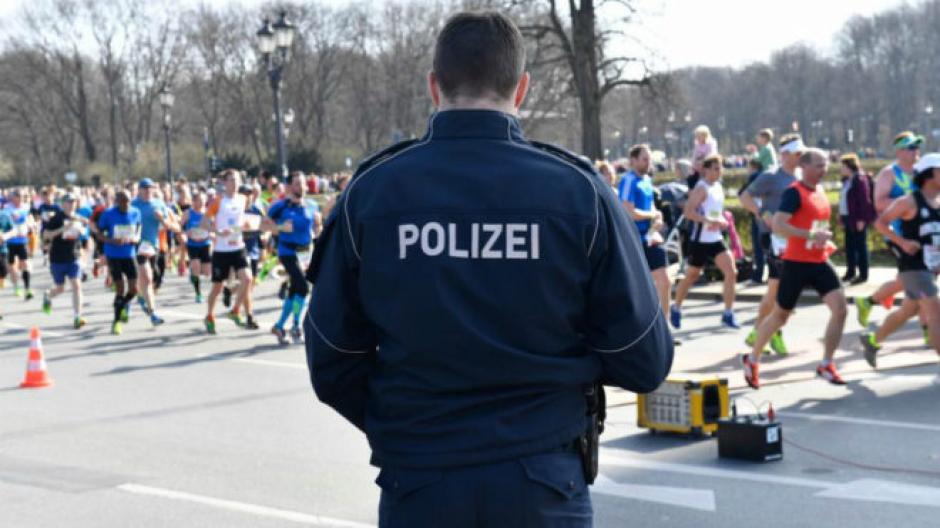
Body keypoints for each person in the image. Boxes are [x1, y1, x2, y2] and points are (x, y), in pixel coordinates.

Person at [305, 12, 673, 527]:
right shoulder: (578, 192)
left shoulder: (374, 191)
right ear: (521, 89)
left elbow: (333, 356)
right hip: (543, 475)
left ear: (434, 86)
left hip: (421, 476)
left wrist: (408, 426)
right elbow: (643, 360)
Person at [742, 148, 848, 389]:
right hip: (796, 263)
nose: (825, 169)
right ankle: (753, 359)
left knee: (840, 309)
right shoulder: (794, 193)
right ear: (805, 167)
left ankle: (826, 363)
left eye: (826, 164)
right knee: (780, 316)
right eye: (819, 165)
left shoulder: (820, 191)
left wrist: (823, 238)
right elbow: (779, 225)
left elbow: (816, 223)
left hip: (820, 260)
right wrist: (810, 234)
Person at [861, 153, 940, 387]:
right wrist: (903, 242)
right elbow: (879, 223)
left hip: (930, 267)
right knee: (935, 314)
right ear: (929, 174)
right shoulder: (909, 201)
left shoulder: (938, 201)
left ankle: (873, 340)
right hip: (913, 267)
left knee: (907, 312)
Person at [738, 133, 805, 356]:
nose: (801, 157)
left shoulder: (801, 177)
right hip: (773, 237)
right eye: (797, 154)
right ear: (784, 155)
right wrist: (762, 213)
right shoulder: (771, 176)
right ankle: (769, 331)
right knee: (777, 287)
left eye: (802, 153)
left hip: (793, 238)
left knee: (781, 289)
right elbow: (745, 197)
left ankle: (760, 331)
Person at [855, 132, 925, 330]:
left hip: (922, 234)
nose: (916, 151)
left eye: (917, 147)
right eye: (911, 148)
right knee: (917, 279)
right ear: (900, 151)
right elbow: (879, 203)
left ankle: (870, 301)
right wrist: (907, 204)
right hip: (899, 235)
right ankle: (928, 329)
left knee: (911, 279)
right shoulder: (889, 173)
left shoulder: (922, 171)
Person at [670, 153, 740, 329]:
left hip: (715, 239)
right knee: (692, 276)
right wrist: (709, 221)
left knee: (731, 271)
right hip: (700, 240)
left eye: (721, 168)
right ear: (706, 170)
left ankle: (728, 313)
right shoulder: (701, 188)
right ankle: (676, 307)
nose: (719, 171)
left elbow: (715, 210)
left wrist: (722, 221)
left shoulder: (718, 186)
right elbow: (688, 212)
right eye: (716, 168)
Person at [200, 169, 256, 334]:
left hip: (238, 247)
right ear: (224, 183)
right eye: (231, 180)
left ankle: (235, 310)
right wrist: (217, 232)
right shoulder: (218, 201)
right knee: (217, 287)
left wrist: (246, 225)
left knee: (247, 279)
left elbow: (241, 219)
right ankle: (209, 316)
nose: (235, 183)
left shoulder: (243, 199)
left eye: (237, 180)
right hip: (221, 250)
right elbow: (204, 224)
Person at [264, 172, 317, 345]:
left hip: (305, 253)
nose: (300, 187)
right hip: (287, 252)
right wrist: (280, 227)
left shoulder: (311, 205)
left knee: (295, 290)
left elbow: (316, 226)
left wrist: (317, 231)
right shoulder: (280, 206)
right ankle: (296, 326)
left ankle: (280, 326)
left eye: (302, 183)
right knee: (302, 287)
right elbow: (263, 224)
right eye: (296, 184)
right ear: (288, 187)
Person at [95, 190, 141, 335]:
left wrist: (137, 238)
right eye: (123, 202)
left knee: (134, 289)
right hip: (113, 255)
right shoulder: (108, 214)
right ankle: (116, 322)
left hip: (130, 254)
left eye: (128, 202)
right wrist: (112, 240)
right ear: (117, 201)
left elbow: (138, 227)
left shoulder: (135, 212)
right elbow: (99, 234)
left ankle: (121, 305)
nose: (126, 205)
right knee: (120, 289)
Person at [131, 179, 176, 326]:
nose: (148, 191)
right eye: (145, 188)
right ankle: (153, 313)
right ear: (140, 190)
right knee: (148, 277)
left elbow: (169, 225)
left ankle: (141, 296)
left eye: (150, 188)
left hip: (153, 245)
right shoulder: (133, 205)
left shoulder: (158, 204)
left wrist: (161, 218)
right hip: (137, 245)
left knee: (154, 278)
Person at [41, 193, 87, 328]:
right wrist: (63, 229)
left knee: (77, 285)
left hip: (74, 256)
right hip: (57, 258)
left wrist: (83, 230)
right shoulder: (56, 218)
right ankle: (48, 295)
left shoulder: (79, 218)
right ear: (63, 204)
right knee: (61, 288)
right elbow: (46, 235)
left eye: (74, 202)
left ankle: (77, 317)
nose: (72, 204)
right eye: (69, 202)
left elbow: (85, 233)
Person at [839, 153, 876, 284]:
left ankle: (863, 274)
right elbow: (843, 200)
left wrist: (862, 219)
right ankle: (850, 272)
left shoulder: (859, 179)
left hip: (857, 218)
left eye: (843, 166)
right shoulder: (846, 180)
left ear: (850, 166)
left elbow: (864, 201)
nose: (841, 169)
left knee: (860, 246)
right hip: (847, 217)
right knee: (849, 246)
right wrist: (841, 218)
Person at [4, 189, 36, 299]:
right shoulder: (7, 209)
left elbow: (31, 220)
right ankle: (16, 286)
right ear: (13, 197)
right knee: (12, 268)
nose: (20, 198)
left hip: (22, 241)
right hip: (10, 242)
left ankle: (27, 289)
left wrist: (31, 225)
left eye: (22, 196)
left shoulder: (26, 207)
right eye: (17, 196)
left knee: (25, 264)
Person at [181, 190, 211, 303]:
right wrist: (185, 233)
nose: (202, 203)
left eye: (204, 201)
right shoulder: (188, 213)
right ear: (194, 201)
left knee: (207, 272)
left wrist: (210, 234)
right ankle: (198, 294)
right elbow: (180, 227)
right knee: (196, 267)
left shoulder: (208, 213)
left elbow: (213, 227)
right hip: (192, 244)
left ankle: (193, 274)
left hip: (205, 244)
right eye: (200, 201)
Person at [740, 158, 766, 284]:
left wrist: (755, 210)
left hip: (758, 215)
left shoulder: (754, 177)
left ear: (754, 167)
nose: (747, 170)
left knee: (759, 247)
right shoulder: (768, 176)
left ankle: (758, 275)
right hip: (770, 214)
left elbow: (742, 194)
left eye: (748, 167)